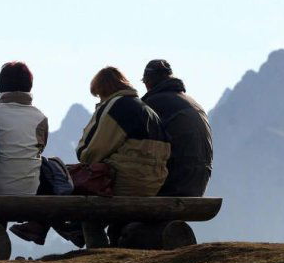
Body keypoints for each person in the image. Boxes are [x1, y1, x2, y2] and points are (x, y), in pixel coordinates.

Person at [76, 66, 171, 247]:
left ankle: (94, 249)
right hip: (152, 184)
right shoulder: (147, 109)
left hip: (127, 183)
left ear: (102, 90)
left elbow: (90, 152)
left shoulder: (116, 106)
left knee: (82, 205)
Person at [140, 60, 213, 197]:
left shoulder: (151, 105)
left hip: (174, 182)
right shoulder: (193, 103)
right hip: (199, 183)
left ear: (148, 82)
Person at [0, 61, 48, 195]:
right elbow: (40, 148)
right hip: (30, 192)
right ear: (29, 85)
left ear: (1, 85)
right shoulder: (40, 118)